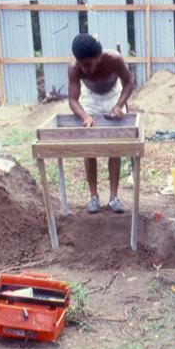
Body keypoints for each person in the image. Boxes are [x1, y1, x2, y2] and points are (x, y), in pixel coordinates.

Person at [67, 33, 135, 214]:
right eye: (81, 64)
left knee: (115, 147)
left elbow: (129, 83)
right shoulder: (74, 67)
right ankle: (94, 197)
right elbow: (73, 100)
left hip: (114, 95)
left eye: (88, 64)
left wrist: (119, 105)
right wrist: (85, 117)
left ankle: (113, 198)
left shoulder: (114, 59)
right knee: (90, 147)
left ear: (98, 57)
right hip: (89, 99)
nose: (84, 69)